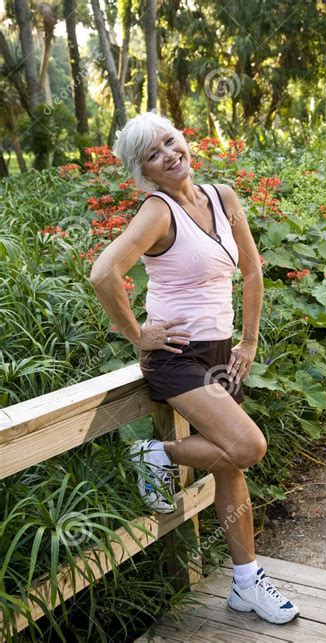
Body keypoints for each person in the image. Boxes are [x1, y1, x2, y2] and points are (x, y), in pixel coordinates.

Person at [89, 111, 299, 624]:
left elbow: (251, 270)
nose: (169, 154)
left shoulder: (223, 196)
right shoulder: (157, 213)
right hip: (177, 359)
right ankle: (155, 452)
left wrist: (247, 342)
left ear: (183, 141)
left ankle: (245, 582)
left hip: (220, 354)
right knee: (248, 446)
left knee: (229, 461)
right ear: (147, 174)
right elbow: (102, 273)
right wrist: (139, 335)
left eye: (170, 141)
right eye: (153, 154)